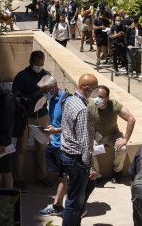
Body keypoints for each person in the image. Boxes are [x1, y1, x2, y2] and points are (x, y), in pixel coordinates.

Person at [12, 50, 55, 192]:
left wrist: (51, 91)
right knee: (21, 148)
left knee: (41, 149)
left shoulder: (46, 75)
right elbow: (15, 98)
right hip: (26, 117)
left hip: (42, 116)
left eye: (42, 64)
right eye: (37, 64)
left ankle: (42, 177)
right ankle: (18, 179)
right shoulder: (21, 76)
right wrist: (33, 95)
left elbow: (54, 92)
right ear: (31, 62)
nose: (39, 66)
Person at [60, 74, 99, 226]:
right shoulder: (83, 110)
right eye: (95, 89)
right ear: (87, 89)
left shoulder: (70, 101)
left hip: (67, 155)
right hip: (76, 159)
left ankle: (75, 221)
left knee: (87, 186)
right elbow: (84, 142)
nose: (96, 92)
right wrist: (91, 166)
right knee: (74, 201)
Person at [88, 85, 136, 183]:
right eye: (96, 96)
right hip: (97, 137)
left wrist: (125, 139)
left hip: (113, 136)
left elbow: (131, 119)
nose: (97, 99)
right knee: (89, 149)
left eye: (101, 97)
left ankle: (117, 171)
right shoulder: (90, 107)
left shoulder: (114, 105)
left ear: (107, 98)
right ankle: (97, 175)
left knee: (122, 149)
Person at [37, 75, 70, 216]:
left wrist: (56, 130)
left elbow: (73, 125)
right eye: (42, 91)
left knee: (64, 176)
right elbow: (55, 121)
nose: (44, 93)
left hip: (65, 145)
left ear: (54, 87)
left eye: (46, 90)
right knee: (61, 176)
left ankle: (58, 205)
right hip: (54, 143)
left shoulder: (66, 100)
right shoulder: (50, 99)